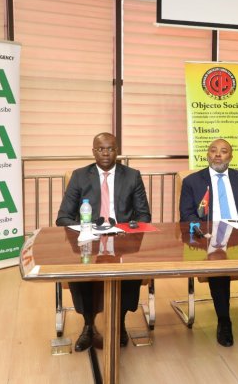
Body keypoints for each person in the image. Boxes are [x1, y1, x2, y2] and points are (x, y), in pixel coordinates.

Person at [56, 132, 151, 351]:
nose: (106, 153)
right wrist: (87, 230)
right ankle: (89, 325)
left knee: (130, 272)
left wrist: (127, 231)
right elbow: (63, 217)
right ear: (93, 152)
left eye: (110, 148)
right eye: (101, 149)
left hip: (122, 239)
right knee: (82, 274)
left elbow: (144, 216)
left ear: (117, 151)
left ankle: (120, 322)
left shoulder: (132, 176)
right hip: (89, 240)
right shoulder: (80, 176)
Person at [179, 138, 238, 347]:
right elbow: (186, 215)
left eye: (223, 151)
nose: (218, 155)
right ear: (207, 155)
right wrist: (204, 232)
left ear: (230, 157)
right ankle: (224, 321)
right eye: (213, 150)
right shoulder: (192, 181)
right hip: (210, 238)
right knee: (218, 263)